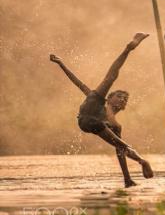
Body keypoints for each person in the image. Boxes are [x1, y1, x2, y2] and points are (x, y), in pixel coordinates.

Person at [50, 32, 154, 188]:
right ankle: (128, 49)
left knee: (122, 146)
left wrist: (127, 178)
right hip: (89, 111)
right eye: (119, 96)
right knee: (110, 78)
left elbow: (120, 152)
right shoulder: (100, 98)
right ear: (110, 97)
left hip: (93, 123)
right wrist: (61, 64)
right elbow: (78, 83)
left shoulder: (115, 125)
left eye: (125, 99)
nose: (122, 99)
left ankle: (132, 174)